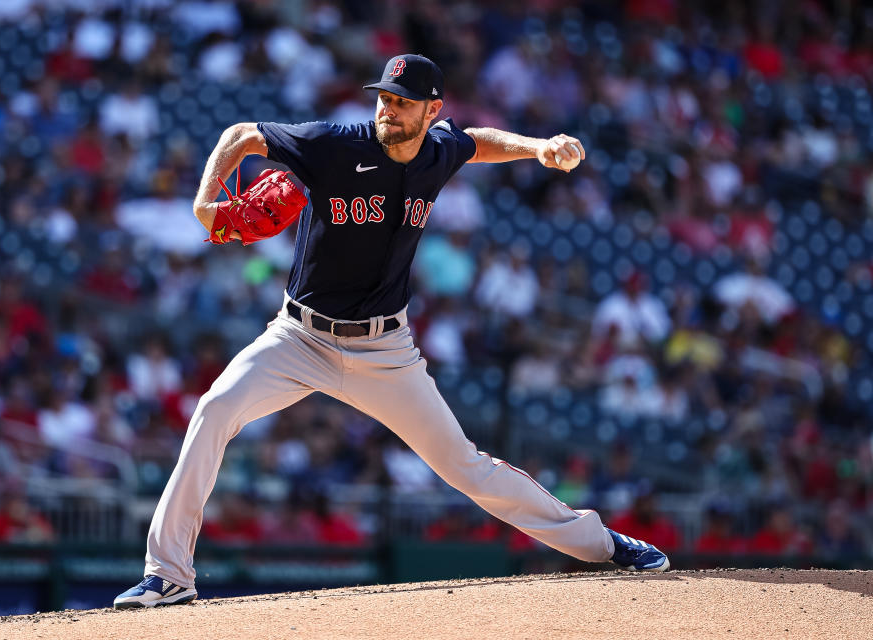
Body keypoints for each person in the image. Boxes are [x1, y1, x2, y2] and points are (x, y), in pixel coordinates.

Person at [114, 54, 669, 610]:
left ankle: (602, 544)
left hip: (386, 350)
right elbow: (241, 135)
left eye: (402, 101)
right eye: (384, 96)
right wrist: (206, 199)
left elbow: (477, 140)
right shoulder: (334, 144)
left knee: (465, 466)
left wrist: (537, 146)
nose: (388, 108)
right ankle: (168, 575)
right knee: (214, 410)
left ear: (432, 110)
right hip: (299, 338)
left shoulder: (438, 150)